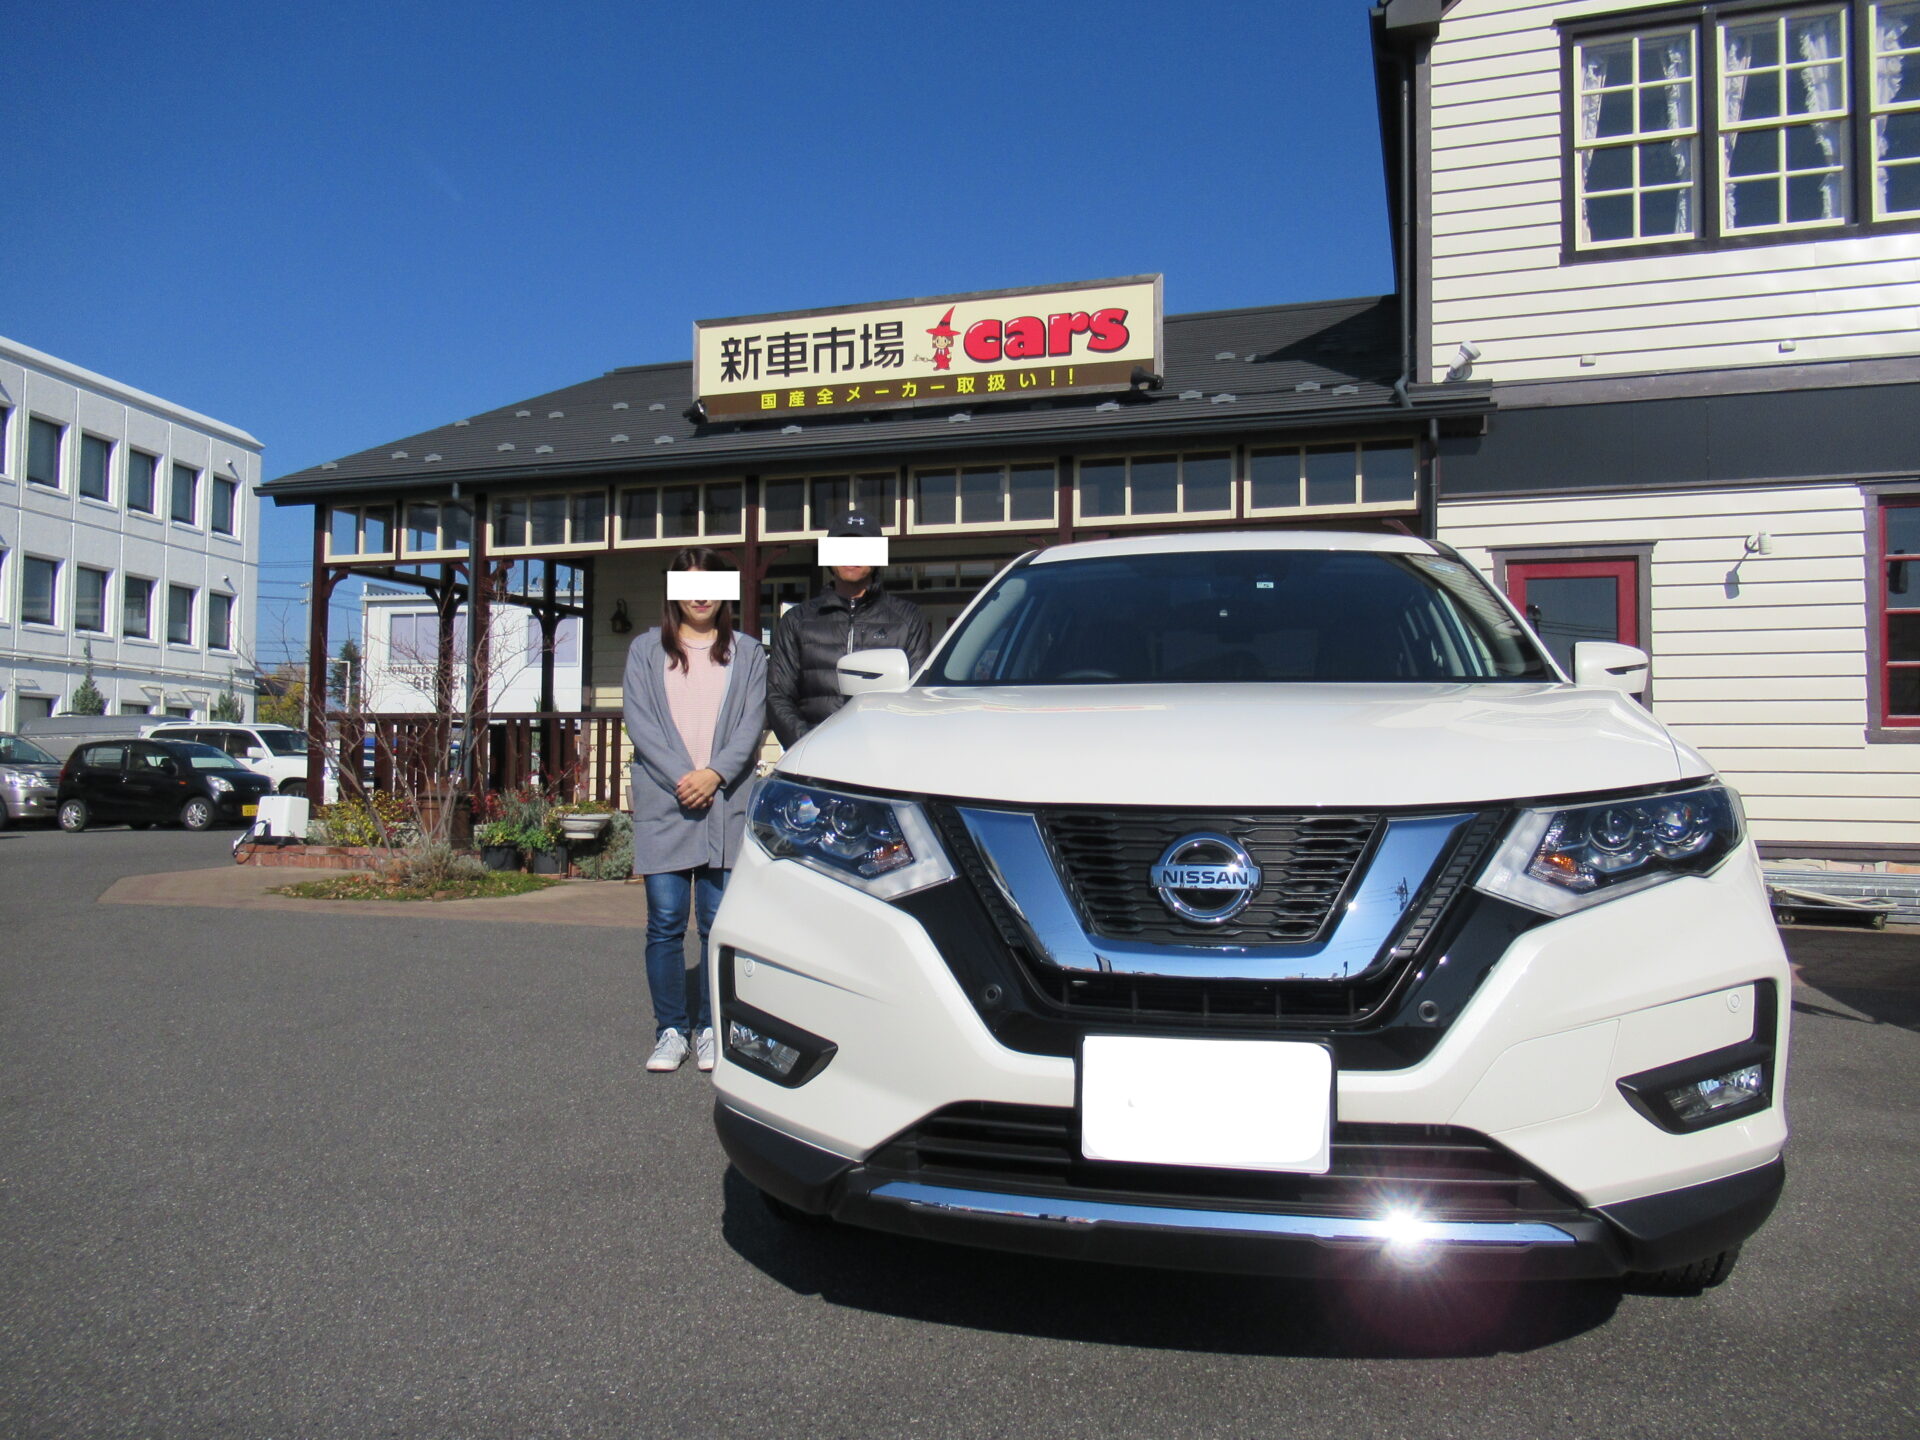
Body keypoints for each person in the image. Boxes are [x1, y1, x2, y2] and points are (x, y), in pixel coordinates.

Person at [622, 547, 767, 1074]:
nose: (699, 595)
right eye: (687, 585)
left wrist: (714, 775)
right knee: (664, 922)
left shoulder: (748, 652)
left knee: (716, 923)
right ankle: (669, 1030)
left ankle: (709, 1026)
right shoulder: (644, 650)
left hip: (725, 804)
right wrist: (687, 777)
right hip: (666, 803)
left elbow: (753, 723)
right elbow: (640, 722)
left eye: (709, 584)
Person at [766, 511, 931, 748]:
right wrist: (810, 745)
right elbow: (778, 695)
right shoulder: (797, 621)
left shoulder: (907, 619)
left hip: (885, 754)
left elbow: (918, 693)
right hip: (813, 758)